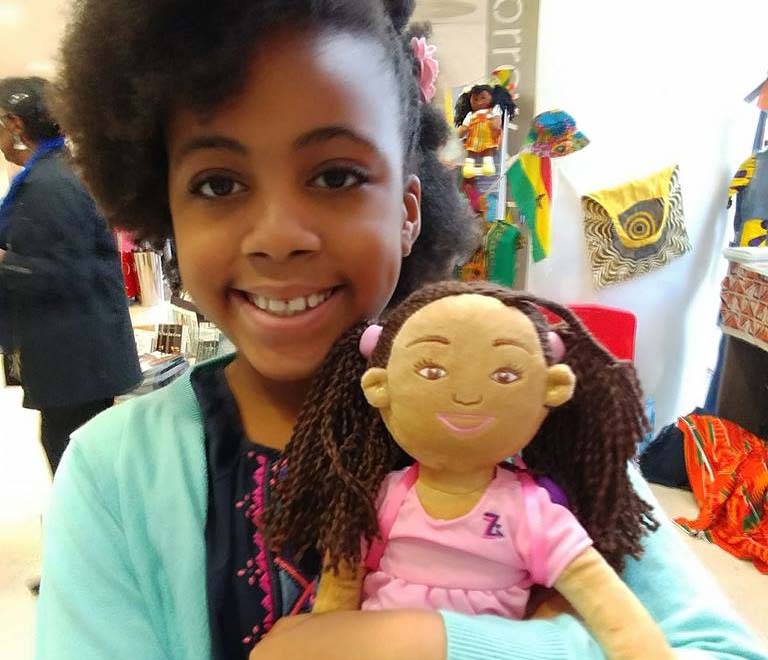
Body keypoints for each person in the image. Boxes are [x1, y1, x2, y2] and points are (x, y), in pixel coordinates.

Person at [36, 2, 767, 660]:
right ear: (165, 212)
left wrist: (436, 643)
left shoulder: (526, 414)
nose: (279, 236)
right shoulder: (119, 474)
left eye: (335, 177)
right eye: (218, 185)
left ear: (409, 209)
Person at [0, 77, 141, 476]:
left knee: (73, 459)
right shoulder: (50, 175)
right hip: (78, 355)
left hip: (75, 358)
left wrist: (6, 264)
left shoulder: (49, 183)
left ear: (15, 124)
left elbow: (67, 272)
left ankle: (84, 536)